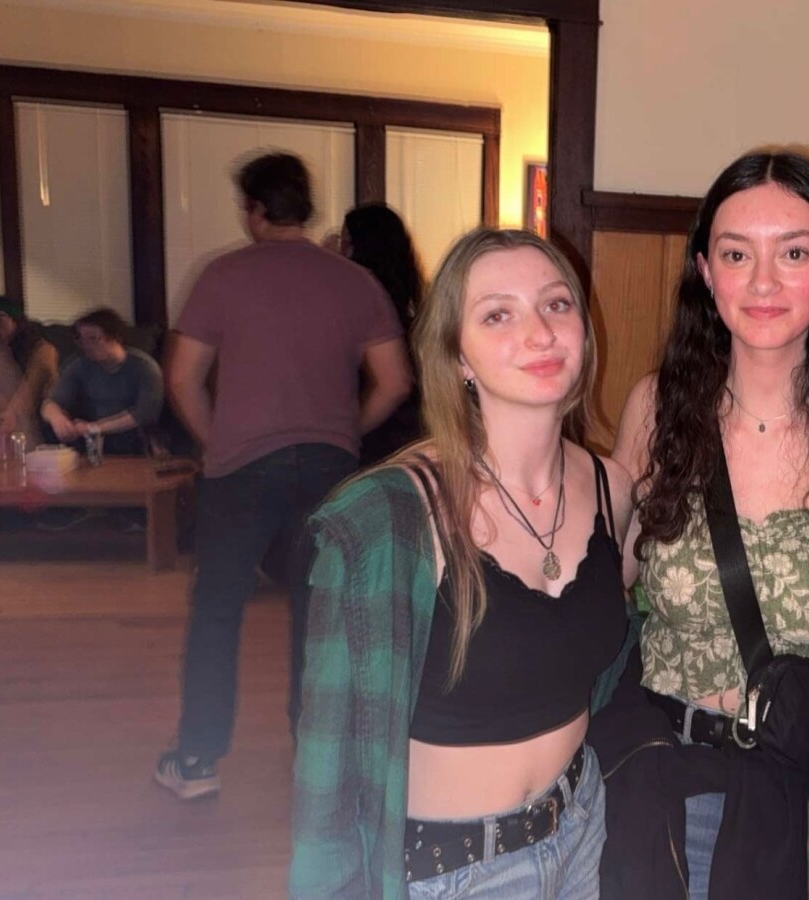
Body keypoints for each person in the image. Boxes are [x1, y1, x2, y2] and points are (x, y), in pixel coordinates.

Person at [289, 227, 633, 899]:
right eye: (498, 315)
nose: (539, 333)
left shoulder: (611, 488)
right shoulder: (388, 519)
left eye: (557, 304)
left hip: (581, 827)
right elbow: (327, 760)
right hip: (454, 871)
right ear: (457, 357)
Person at [604, 149, 809, 899]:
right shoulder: (657, 408)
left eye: (792, 253)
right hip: (669, 782)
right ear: (705, 270)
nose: (763, 282)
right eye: (736, 254)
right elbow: (607, 577)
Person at [156, 152, 413, 800]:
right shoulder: (356, 282)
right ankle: (313, 756)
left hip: (241, 467)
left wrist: (216, 441)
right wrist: (346, 432)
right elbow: (394, 382)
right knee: (317, 616)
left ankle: (197, 761)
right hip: (329, 469)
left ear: (254, 209)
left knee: (217, 611)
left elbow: (181, 378)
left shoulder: (222, 275)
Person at [337, 202, 427, 466]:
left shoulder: (363, 305)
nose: (340, 252)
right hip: (410, 438)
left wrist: (348, 434)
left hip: (374, 441)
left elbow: (394, 386)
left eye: (345, 243)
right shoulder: (413, 313)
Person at [42, 307, 164, 456]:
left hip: (136, 445)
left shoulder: (144, 367)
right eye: (81, 339)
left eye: (93, 338)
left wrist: (95, 427)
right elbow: (50, 404)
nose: (86, 345)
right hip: (90, 446)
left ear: (115, 337)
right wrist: (57, 418)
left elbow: (145, 413)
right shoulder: (78, 366)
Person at [0, 290, 58, 444]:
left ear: (15, 321)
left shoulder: (42, 350)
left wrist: (11, 411)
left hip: (32, 426)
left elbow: (31, 387)